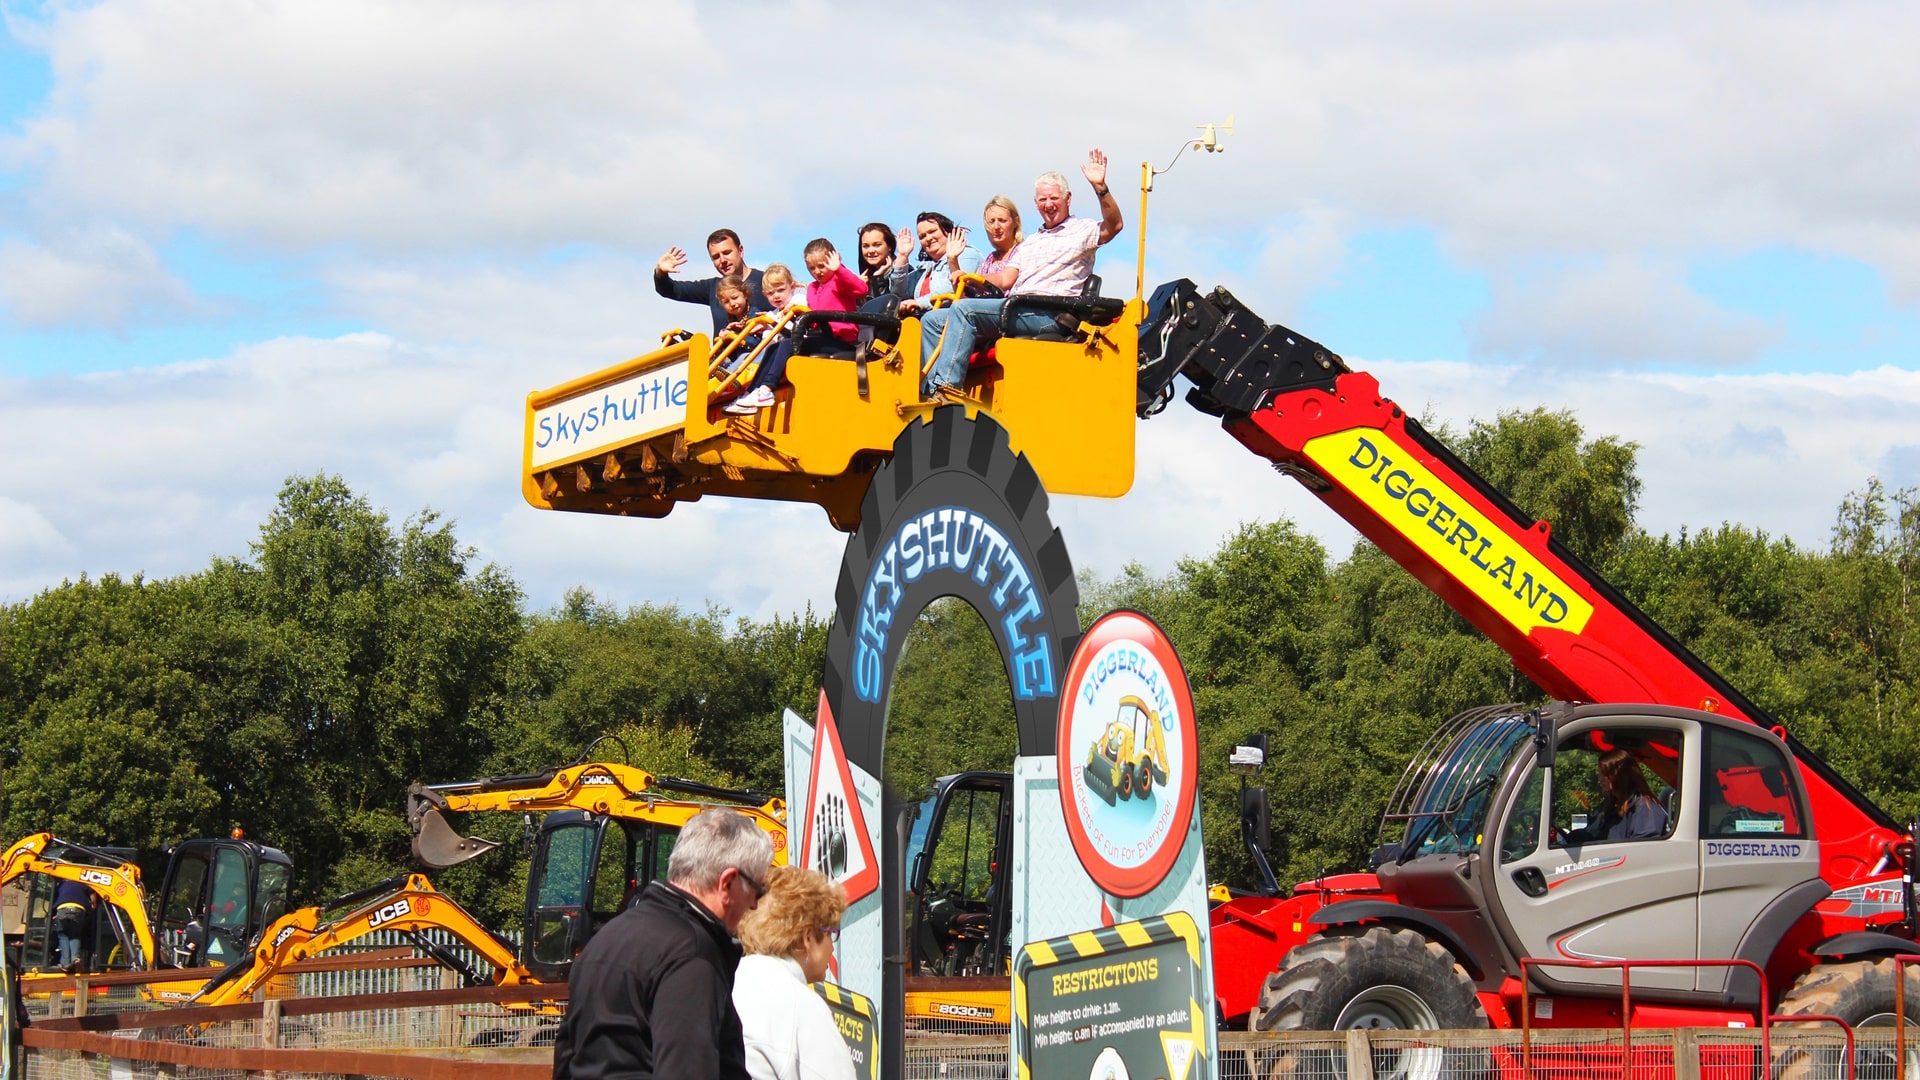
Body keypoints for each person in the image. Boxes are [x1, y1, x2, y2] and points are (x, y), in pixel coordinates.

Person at [552, 809, 775, 1080]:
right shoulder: (693, 954)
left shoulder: (607, 938)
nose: (754, 904)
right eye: (757, 891)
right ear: (727, 883)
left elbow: (567, 1059)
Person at [918, 149, 1124, 394]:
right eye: (1042, 200)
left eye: (1054, 198)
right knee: (932, 320)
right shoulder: (1031, 242)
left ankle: (948, 388)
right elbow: (1005, 278)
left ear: (1068, 199)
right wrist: (971, 277)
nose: (1048, 205)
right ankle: (930, 392)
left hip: (1049, 313)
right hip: (1018, 308)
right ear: (1036, 204)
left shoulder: (1082, 230)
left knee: (964, 310)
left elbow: (1115, 225)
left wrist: (1100, 187)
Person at [731, 867, 856, 1080]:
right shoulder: (801, 1005)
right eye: (831, 933)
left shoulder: (734, 978)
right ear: (807, 938)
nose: (832, 948)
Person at [656, 229, 772, 334]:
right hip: (724, 355)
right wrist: (660, 271)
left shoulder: (767, 281)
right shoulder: (713, 287)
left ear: (740, 251)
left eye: (727, 253)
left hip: (764, 354)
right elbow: (669, 290)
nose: (723, 260)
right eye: (716, 257)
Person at [724, 264, 803, 415]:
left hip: (800, 344)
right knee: (769, 348)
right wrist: (764, 328)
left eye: (780, 290)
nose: (776, 296)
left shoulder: (798, 300)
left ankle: (765, 389)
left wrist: (773, 320)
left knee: (780, 345)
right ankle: (751, 392)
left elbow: (795, 322)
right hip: (781, 348)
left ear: (792, 287)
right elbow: (770, 337)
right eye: (771, 293)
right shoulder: (773, 312)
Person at [892, 213, 985, 317]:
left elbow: (953, 287)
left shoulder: (967, 254)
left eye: (932, 231)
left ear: (947, 231)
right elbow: (897, 294)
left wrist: (919, 303)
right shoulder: (925, 268)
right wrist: (902, 256)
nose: (928, 238)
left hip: (953, 318)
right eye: (922, 236)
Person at [1565, 750, 1669, 843]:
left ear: (1620, 776)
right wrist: (1567, 839)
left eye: (1605, 774)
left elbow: (1642, 850)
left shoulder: (1645, 808)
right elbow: (1593, 834)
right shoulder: (1611, 806)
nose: (1600, 779)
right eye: (1600, 774)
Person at [52, 879, 95, 974]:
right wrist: (93, 905)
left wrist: (55, 915)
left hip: (62, 909)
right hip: (78, 910)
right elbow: (93, 894)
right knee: (75, 935)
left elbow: (54, 898)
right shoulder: (83, 882)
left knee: (63, 935)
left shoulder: (62, 884)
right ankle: (75, 959)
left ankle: (65, 963)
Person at [977, 195, 1024, 278]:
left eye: (1002, 220)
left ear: (1016, 222)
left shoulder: (1024, 251)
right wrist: (953, 260)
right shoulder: (989, 260)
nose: (996, 227)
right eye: (991, 222)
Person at [854, 223, 896, 300]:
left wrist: (878, 279)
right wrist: (858, 289)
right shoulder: (866, 276)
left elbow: (884, 306)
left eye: (877, 245)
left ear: (889, 246)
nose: (871, 251)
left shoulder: (903, 273)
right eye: (866, 246)